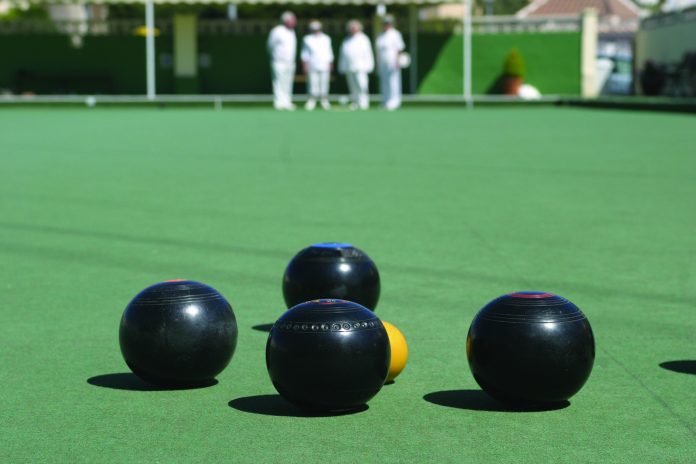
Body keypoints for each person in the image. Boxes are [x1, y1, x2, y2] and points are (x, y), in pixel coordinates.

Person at [338, 20, 374, 110]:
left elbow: (368, 53)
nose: (353, 29)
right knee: (352, 86)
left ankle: (364, 103)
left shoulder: (364, 39)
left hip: (361, 67)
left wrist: (369, 65)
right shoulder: (346, 40)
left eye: (355, 27)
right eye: (351, 27)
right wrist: (342, 66)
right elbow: (343, 54)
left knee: (362, 86)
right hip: (349, 67)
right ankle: (355, 102)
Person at [301, 20, 334, 111]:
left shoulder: (326, 38)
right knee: (312, 83)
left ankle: (324, 101)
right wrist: (305, 64)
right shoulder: (307, 39)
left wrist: (330, 64)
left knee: (324, 83)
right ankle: (312, 101)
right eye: (314, 29)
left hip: (324, 64)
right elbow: (305, 53)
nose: (316, 30)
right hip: (312, 64)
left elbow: (329, 52)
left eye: (317, 29)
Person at [267, 11, 297, 110]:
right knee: (279, 82)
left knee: (288, 82)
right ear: (285, 20)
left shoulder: (292, 32)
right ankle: (279, 102)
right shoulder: (277, 31)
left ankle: (287, 101)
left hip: (290, 62)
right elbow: (270, 45)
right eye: (292, 20)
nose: (294, 22)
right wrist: (275, 57)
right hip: (278, 61)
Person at [376, 15, 405, 111]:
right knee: (384, 82)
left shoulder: (396, 34)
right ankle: (385, 100)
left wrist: (397, 61)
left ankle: (395, 101)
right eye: (385, 23)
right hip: (382, 62)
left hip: (392, 62)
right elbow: (379, 51)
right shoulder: (380, 35)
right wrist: (378, 63)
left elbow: (399, 49)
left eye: (388, 23)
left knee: (393, 82)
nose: (386, 25)